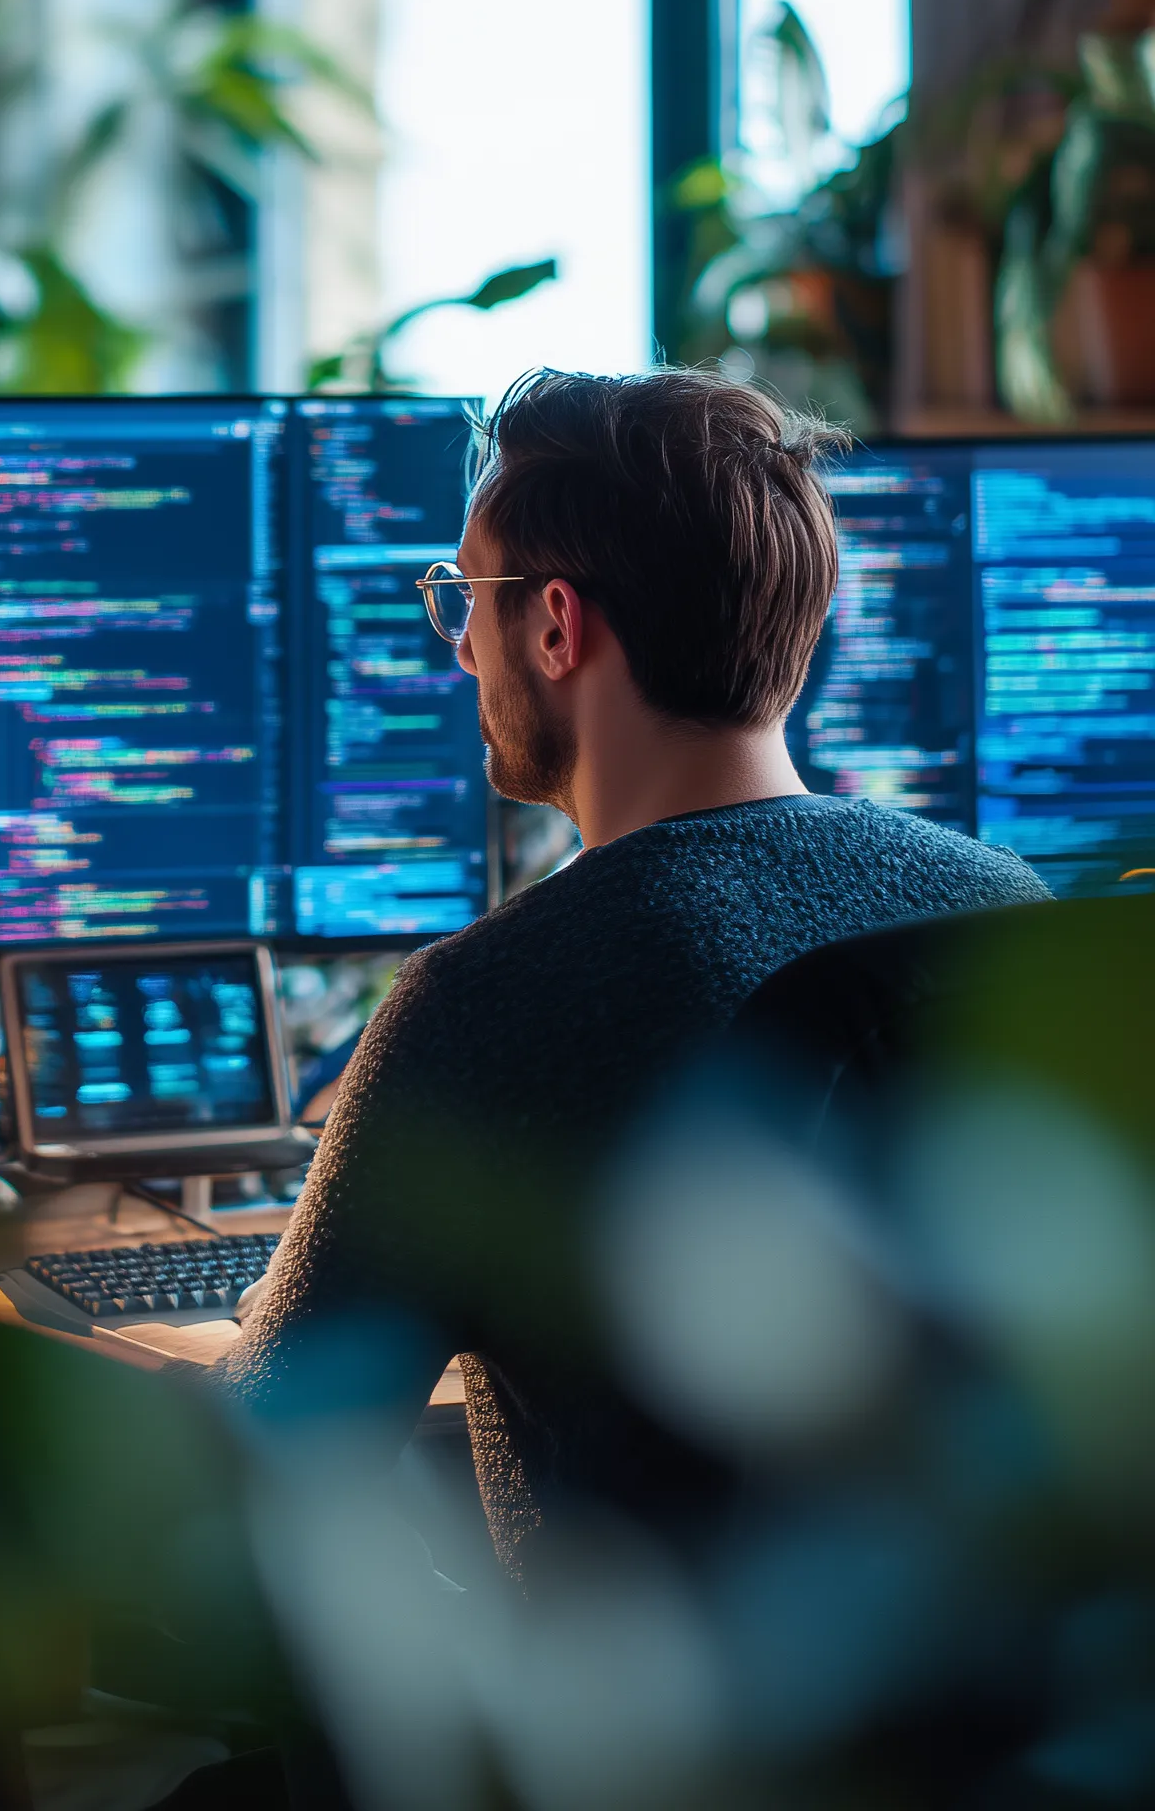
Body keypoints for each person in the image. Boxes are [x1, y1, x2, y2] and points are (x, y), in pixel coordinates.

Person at [216, 368, 1047, 1575]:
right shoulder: (998, 905)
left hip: (650, 1740)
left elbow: (278, 1439)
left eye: (466, 597)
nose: (459, 651)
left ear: (554, 625)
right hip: (1011, 1709)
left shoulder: (492, 995)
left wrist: (268, 1309)